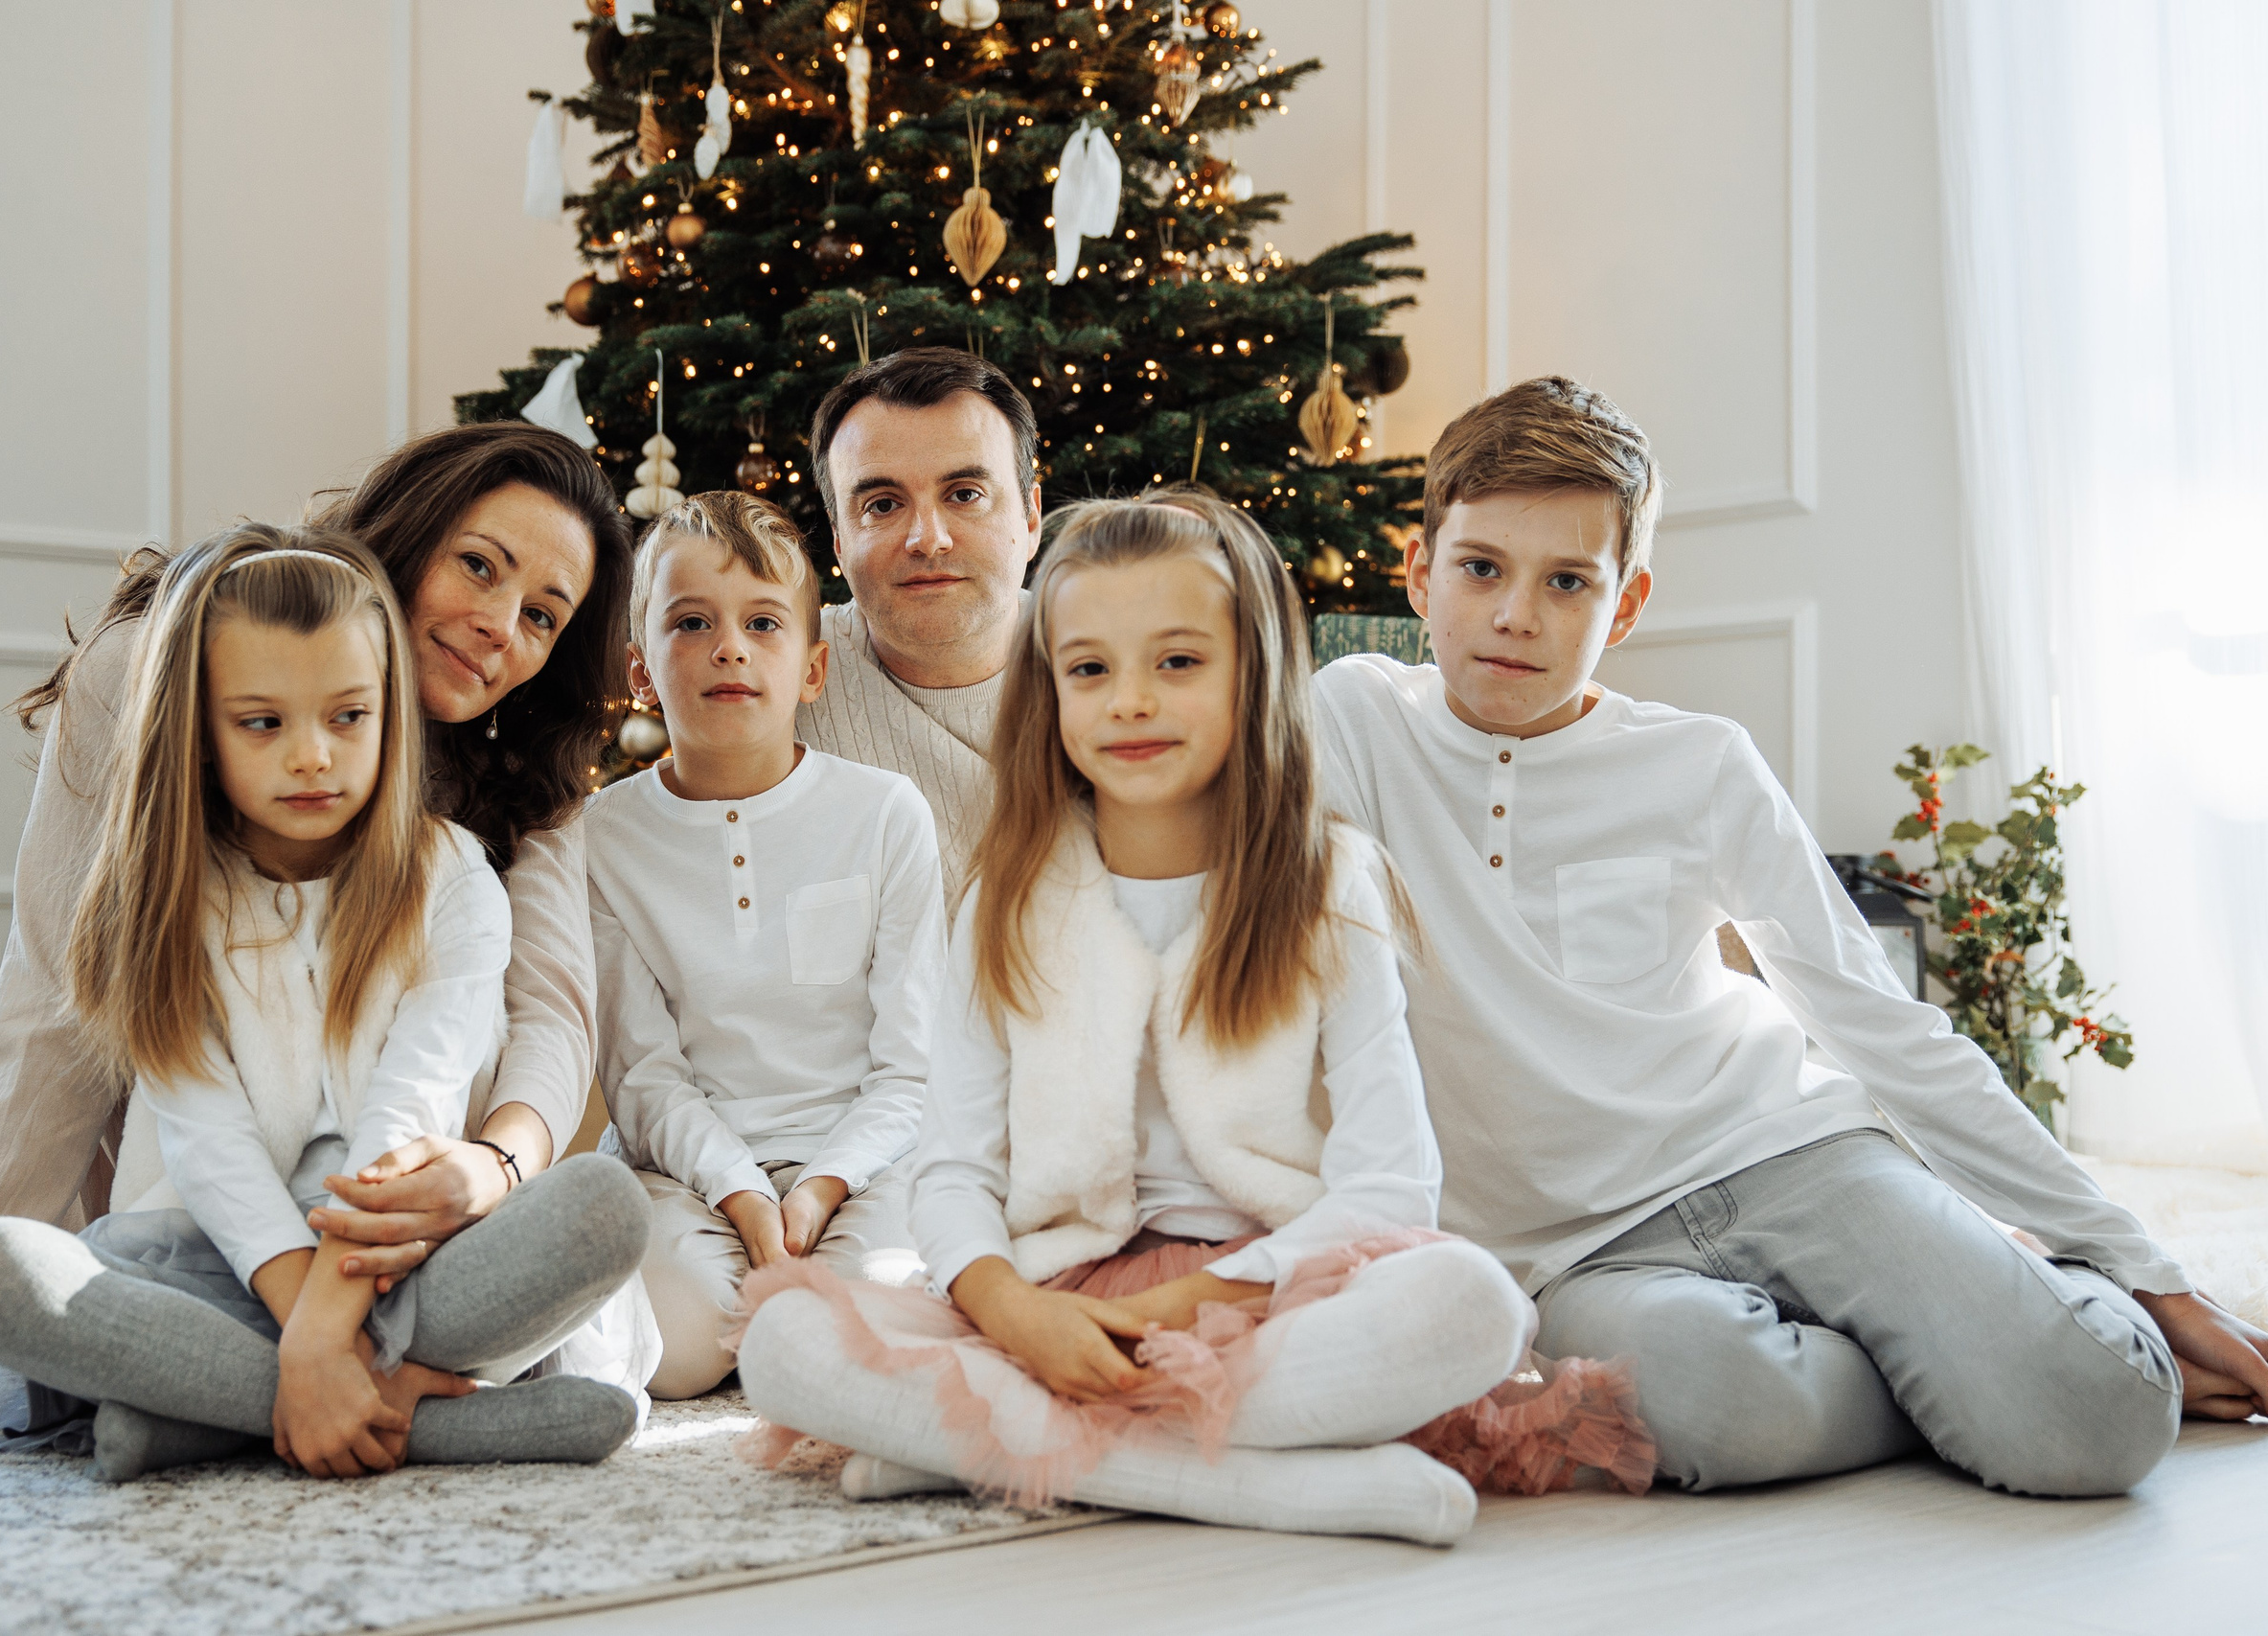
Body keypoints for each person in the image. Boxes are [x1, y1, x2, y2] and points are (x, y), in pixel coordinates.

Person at [1312, 375, 2268, 1496]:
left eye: (1567, 581)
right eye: (1481, 568)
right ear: (1419, 573)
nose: (1516, 614)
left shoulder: (1700, 762)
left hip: (1785, 1156)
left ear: (1623, 606)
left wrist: (2144, 1274)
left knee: (2103, 1417)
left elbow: (1877, 1023)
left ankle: (2030, 1300)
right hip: (1576, 1254)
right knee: (1722, 1408)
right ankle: (1943, 1353)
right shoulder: (1352, 722)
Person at [733, 492, 1635, 1548]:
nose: (1128, 703)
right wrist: (1019, 1313)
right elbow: (953, 1171)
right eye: (1088, 670)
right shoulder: (1008, 896)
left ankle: (988, 1451)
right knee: (786, 1338)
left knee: (1472, 1304)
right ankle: (1257, 1486)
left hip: (1266, 1297)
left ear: (1250, 676)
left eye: (1176, 663)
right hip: (1049, 1307)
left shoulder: (1329, 882)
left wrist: (1180, 1310)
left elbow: (1392, 1185)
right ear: (1051, 693)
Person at [0, 424, 640, 1422]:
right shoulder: (152, 669)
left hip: (407, 1211)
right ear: (409, 535)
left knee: (599, 1217)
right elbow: (57, 1004)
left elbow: (547, 1015)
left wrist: (491, 1166)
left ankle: (213, 1404)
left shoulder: (508, 786)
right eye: (477, 566)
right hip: (207, 1211)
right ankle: (395, 1407)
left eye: (544, 617)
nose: (500, 627)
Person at [588, 493, 944, 1398]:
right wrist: (743, 1193)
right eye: (691, 622)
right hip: (688, 1168)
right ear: (640, 669)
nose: (730, 648)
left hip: (862, 1160)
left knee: (863, 1337)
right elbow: (643, 1076)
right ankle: (745, 1311)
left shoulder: (885, 812)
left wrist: (822, 1185)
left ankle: (794, 1319)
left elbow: (912, 1067)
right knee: (672, 1351)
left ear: (814, 667)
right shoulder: (603, 836)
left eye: (762, 624)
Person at [797, 347, 1044, 904]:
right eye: (882, 505)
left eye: (965, 495)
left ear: (1030, 519)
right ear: (839, 542)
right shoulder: (776, 670)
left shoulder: (1119, 668)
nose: (928, 538)